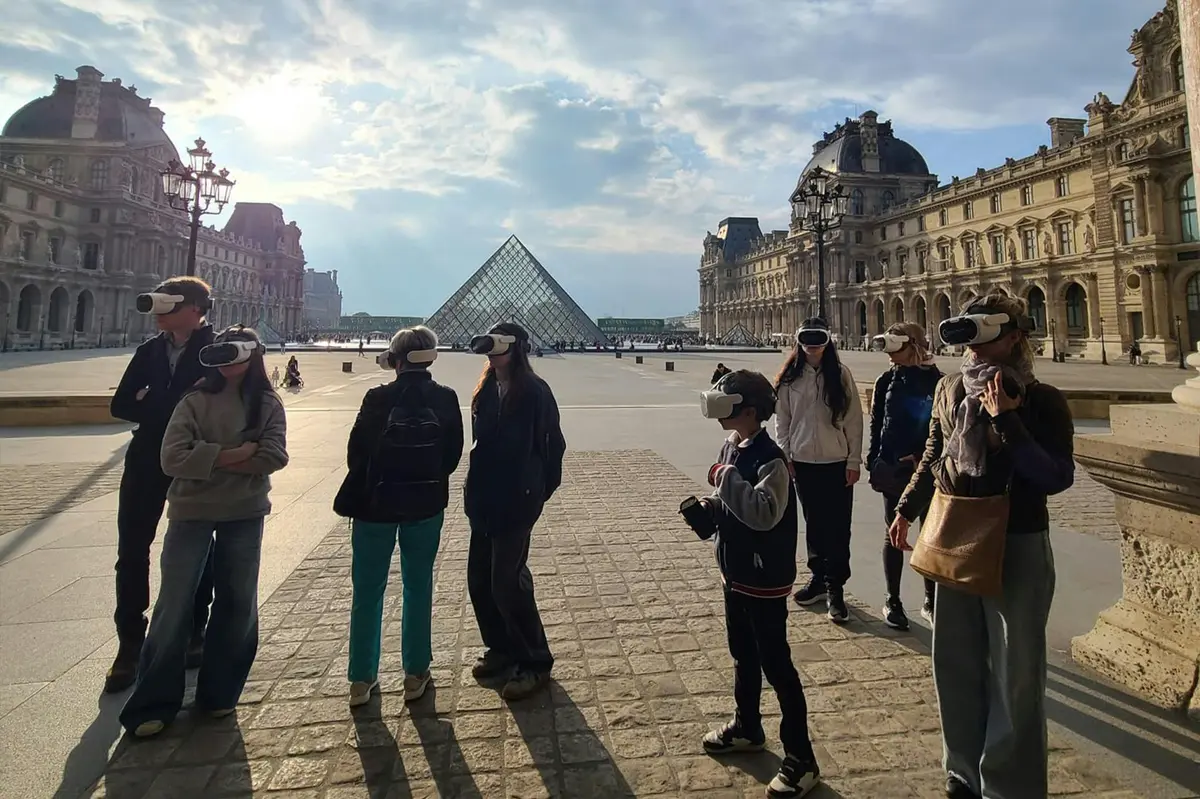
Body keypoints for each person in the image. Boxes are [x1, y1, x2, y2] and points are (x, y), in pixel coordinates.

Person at [889, 294, 1074, 799]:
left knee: (1017, 673)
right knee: (954, 658)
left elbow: (1056, 477)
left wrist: (1007, 419)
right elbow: (933, 455)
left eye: (984, 331)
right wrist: (906, 508)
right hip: (954, 535)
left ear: (1015, 337)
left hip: (1018, 540)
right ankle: (963, 770)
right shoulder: (949, 388)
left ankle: (1011, 784)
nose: (973, 346)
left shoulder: (1041, 399)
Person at [120, 326, 289, 737]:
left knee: (237, 603)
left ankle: (220, 694)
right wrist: (236, 454)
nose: (227, 362)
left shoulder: (266, 402)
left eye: (234, 354)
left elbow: (274, 455)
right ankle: (153, 703)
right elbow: (171, 458)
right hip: (192, 511)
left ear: (253, 356)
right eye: (220, 354)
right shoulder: (193, 400)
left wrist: (207, 458)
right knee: (173, 605)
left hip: (243, 511)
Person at [689, 370, 821, 798]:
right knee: (742, 655)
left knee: (777, 666)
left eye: (727, 404)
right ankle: (747, 726)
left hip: (763, 579)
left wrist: (722, 480)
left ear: (748, 411)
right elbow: (733, 494)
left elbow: (764, 511)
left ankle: (802, 759)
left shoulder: (773, 460)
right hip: (737, 571)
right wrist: (710, 507)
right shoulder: (734, 443)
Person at [333, 326, 463, 707]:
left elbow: (356, 454)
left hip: (374, 506)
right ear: (432, 357)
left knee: (368, 592)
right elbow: (452, 457)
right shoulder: (445, 398)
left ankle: (360, 678)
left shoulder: (376, 397)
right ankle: (415, 672)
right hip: (424, 504)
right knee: (418, 587)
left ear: (395, 359)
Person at [106, 277, 217, 693]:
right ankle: (130, 642)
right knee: (131, 549)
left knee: (197, 548)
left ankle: (193, 630)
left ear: (193, 308)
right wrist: (174, 403)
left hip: (193, 458)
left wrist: (151, 402)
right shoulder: (148, 351)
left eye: (166, 305)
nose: (157, 313)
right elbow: (119, 404)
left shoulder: (216, 350)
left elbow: (225, 402)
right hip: (146, 459)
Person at [464, 322, 566, 700]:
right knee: (479, 579)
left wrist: (537, 491)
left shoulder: (536, 392)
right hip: (484, 499)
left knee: (507, 581)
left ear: (517, 349)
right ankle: (501, 647)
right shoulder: (486, 389)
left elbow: (554, 446)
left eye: (499, 347)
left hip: (517, 501)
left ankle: (535, 660)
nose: (492, 354)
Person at [773, 318, 863, 623]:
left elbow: (853, 420)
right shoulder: (789, 378)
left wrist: (854, 461)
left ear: (828, 341)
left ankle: (835, 587)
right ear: (798, 341)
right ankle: (817, 578)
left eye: (818, 338)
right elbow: (782, 421)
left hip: (836, 461)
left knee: (838, 527)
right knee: (813, 524)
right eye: (807, 339)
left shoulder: (841, 375)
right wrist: (786, 455)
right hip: (803, 461)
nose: (813, 345)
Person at [867, 322, 941, 630]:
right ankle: (892, 598)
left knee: (930, 536)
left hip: (926, 468)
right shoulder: (886, 380)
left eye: (895, 350)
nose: (890, 356)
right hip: (893, 467)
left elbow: (940, 429)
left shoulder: (939, 382)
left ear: (913, 346)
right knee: (892, 534)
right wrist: (873, 460)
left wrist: (921, 458)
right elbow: (877, 423)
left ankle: (931, 600)